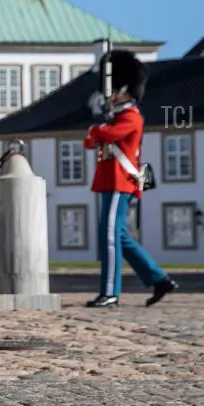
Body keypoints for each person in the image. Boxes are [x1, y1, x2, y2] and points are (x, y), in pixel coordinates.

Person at [83, 50, 177, 308]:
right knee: (120, 236)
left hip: (119, 181)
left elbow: (101, 137)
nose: (110, 95)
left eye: (114, 90)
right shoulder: (117, 117)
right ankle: (158, 279)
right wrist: (98, 129)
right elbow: (90, 142)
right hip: (110, 181)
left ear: (125, 89)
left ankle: (110, 292)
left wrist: (98, 129)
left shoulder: (131, 117)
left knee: (110, 238)